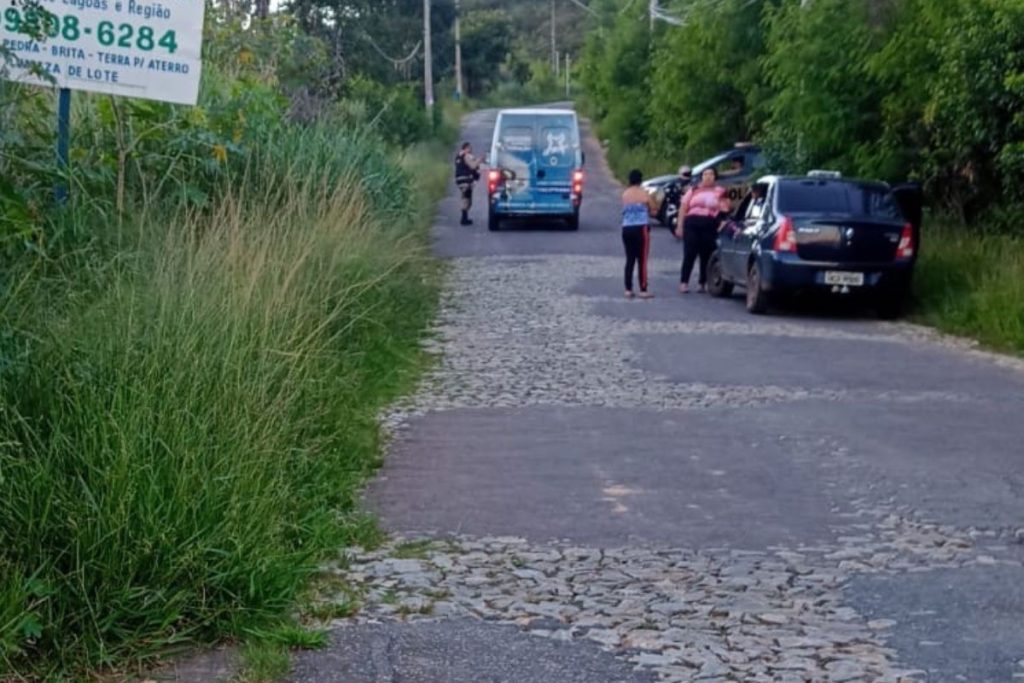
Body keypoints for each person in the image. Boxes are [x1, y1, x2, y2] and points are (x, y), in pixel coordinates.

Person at [675, 167, 731, 293]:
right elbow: (683, 208)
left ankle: (702, 282)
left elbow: (725, 209)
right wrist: (679, 226)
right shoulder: (694, 190)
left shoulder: (720, 191)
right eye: (705, 174)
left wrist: (722, 222)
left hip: (709, 223)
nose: (708, 177)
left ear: (715, 177)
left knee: (706, 254)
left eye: (711, 174)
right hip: (692, 222)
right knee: (689, 253)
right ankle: (684, 282)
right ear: (701, 177)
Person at [621, 169, 659, 299]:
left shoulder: (625, 194)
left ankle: (628, 289)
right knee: (642, 259)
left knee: (630, 259)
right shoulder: (644, 194)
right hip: (641, 228)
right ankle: (643, 289)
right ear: (640, 180)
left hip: (626, 228)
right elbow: (654, 210)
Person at [454, 142, 482, 225]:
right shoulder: (466, 156)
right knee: (466, 198)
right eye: (469, 148)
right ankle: (464, 219)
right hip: (465, 179)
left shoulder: (458, 157)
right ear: (465, 148)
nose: (471, 150)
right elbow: (473, 166)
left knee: (465, 197)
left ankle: (464, 218)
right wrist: (479, 161)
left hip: (460, 180)